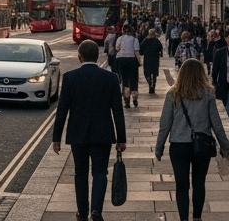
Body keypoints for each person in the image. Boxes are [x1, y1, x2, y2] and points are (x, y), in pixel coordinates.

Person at [52, 41, 128, 221]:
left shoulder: (70, 78)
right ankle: (96, 210)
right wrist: (121, 138)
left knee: (80, 172)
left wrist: (56, 138)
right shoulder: (110, 78)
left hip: (77, 133)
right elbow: (117, 111)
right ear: (97, 56)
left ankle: (82, 211)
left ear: (79, 57)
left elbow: (62, 109)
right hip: (103, 133)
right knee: (100, 172)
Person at [156, 58, 229, 221]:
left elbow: (165, 124)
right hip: (202, 145)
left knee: (181, 185)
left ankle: (184, 218)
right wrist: (225, 146)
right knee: (199, 182)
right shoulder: (208, 93)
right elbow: (216, 123)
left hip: (178, 145)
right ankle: (197, 217)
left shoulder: (173, 93)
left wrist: (159, 146)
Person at [116, 26, 142, 108]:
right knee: (134, 80)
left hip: (122, 60)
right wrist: (140, 62)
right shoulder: (135, 39)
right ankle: (135, 99)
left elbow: (117, 48)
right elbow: (136, 52)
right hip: (132, 60)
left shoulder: (119, 39)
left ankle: (127, 101)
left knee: (125, 81)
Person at [141, 28, 164, 95]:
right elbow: (160, 48)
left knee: (146, 72)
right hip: (155, 58)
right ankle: (153, 85)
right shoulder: (156, 41)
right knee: (154, 72)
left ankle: (149, 82)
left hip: (147, 58)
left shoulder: (145, 40)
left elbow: (141, 49)